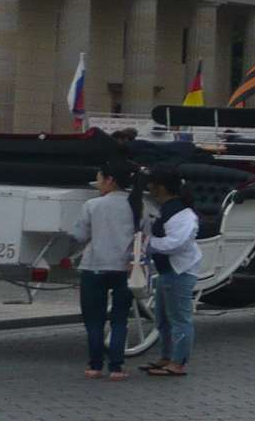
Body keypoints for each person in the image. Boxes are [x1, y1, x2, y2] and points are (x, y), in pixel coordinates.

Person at [69, 159, 141, 380]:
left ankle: (95, 366)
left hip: (94, 266)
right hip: (125, 269)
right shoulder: (138, 205)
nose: (97, 183)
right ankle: (117, 368)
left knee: (94, 321)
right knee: (119, 320)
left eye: (99, 178)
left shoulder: (92, 205)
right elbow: (145, 236)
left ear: (110, 180)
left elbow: (80, 236)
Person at [142, 164, 201, 376]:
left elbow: (176, 243)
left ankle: (178, 362)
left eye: (152, 184)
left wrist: (147, 244)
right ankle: (166, 357)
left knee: (179, 319)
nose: (148, 187)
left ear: (161, 187)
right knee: (163, 319)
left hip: (180, 271)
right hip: (167, 271)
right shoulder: (165, 209)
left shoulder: (183, 214)